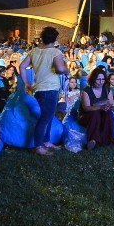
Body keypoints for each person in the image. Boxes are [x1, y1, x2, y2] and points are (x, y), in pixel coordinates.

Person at [19, 26, 68, 156]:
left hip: (39, 88)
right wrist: (66, 69)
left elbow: (22, 66)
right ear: (55, 38)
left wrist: (26, 83)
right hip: (50, 88)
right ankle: (38, 146)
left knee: (49, 116)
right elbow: (60, 68)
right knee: (45, 118)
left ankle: (46, 142)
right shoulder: (55, 52)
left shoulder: (34, 51)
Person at [78, 67, 114, 148]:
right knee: (95, 114)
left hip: (102, 114)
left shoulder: (107, 90)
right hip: (87, 116)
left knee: (108, 113)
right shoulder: (86, 91)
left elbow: (112, 104)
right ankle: (93, 140)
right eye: (98, 79)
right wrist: (100, 107)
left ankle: (111, 138)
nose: (101, 82)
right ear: (93, 79)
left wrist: (109, 107)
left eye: (103, 79)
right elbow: (86, 108)